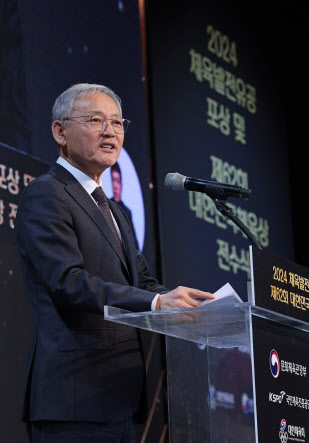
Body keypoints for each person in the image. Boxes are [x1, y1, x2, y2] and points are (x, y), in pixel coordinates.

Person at [14, 83, 214, 443]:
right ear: (60, 131)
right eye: (95, 120)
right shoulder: (46, 193)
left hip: (119, 400)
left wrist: (189, 306)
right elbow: (67, 281)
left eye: (118, 123)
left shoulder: (114, 210)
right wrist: (155, 303)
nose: (110, 131)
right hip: (74, 398)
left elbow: (141, 283)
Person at [110, 162, 139, 250]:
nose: (115, 186)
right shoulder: (104, 206)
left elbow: (135, 245)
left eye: (117, 181)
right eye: (113, 180)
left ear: (121, 185)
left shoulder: (127, 212)